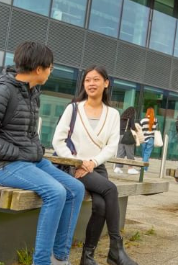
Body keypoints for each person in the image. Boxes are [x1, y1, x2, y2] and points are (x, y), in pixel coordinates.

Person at [0, 42, 85, 265]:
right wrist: (17, 153)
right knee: (56, 192)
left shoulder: (31, 92)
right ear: (39, 69)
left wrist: (35, 151)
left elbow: (28, 133)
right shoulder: (3, 91)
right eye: (50, 67)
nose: (51, 71)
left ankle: (59, 258)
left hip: (28, 161)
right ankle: (41, 262)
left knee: (75, 189)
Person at [51, 65, 136, 265]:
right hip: (72, 166)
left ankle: (87, 257)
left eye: (96, 79)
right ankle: (116, 248)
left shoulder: (113, 114)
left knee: (100, 205)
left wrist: (92, 163)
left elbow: (112, 146)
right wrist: (78, 162)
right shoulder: (73, 109)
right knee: (111, 189)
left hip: (96, 167)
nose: (91, 83)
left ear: (106, 83)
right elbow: (58, 141)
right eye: (88, 79)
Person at [114, 107, 137, 174]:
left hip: (120, 135)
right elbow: (132, 126)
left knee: (120, 152)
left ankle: (117, 168)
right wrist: (136, 129)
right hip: (127, 136)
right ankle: (130, 168)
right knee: (130, 152)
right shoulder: (131, 116)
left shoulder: (122, 117)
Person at [138, 108, 158, 172]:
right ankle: (144, 168)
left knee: (144, 154)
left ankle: (143, 168)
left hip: (144, 139)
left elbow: (140, 129)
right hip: (151, 139)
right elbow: (156, 129)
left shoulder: (143, 120)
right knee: (147, 154)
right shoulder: (155, 120)